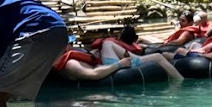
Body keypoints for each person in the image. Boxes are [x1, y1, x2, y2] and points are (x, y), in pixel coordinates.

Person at [53, 39, 184, 82]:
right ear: (65, 47)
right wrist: (118, 64)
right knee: (159, 58)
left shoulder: (70, 57)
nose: (73, 44)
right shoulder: (71, 64)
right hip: (112, 69)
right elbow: (93, 74)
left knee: (107, 44)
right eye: (71, 42)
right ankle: (180, 83)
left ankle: (180, 80)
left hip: (109, 64)